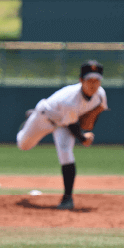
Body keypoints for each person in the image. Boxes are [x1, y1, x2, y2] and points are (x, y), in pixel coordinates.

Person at [17, 60, 108, 210]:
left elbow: (95, 113)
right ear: (81, 80)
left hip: (64, 123)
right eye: (89, 80)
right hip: (45, 117)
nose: (93, 84)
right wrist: (83, 138)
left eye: (97, 80)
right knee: (23, 145)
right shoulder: (70, 100)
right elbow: (74, 126)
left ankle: (67, 198)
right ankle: (29, 119)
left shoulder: (100, 95)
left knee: (66, 153)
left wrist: (87, 127)